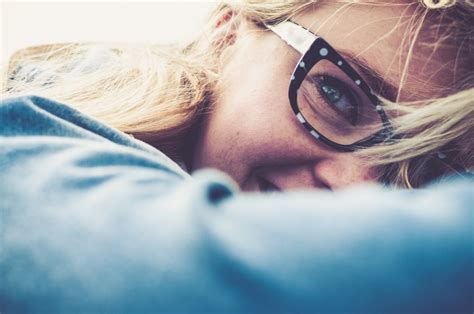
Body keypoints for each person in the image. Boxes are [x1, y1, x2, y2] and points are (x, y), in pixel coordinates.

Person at [1, 0, 472, 312]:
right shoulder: (38, 144)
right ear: (226, 33)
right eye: (337, 96)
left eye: (429, 167)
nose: (356, 187)